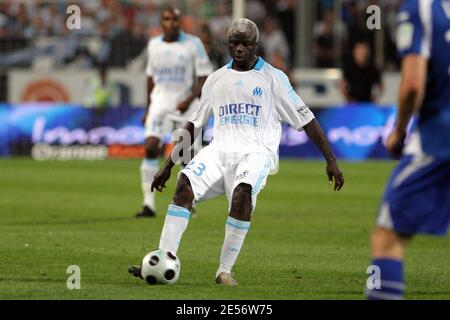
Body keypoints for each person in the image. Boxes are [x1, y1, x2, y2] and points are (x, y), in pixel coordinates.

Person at [129, 18, 344, 285]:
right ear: (228, 43)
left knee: (242, 194)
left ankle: (224, 271)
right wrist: (169, 166)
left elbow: (307, 119)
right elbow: (193, 124)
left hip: (256, 153)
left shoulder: (274, 79)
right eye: (234, 43)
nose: (239, 48)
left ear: (256, 44)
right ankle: (163, 258)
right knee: (184, 183)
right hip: (219, 151)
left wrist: (330, 160)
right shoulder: (216, 79)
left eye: (245, 43)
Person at [365, 0, 450, 300]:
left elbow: (413, 85)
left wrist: (399, 131)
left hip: (439, 138)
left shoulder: (419, 9)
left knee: (388, 236)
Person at [135, 6, 213, 218]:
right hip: (159, 105)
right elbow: (150, 78)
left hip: (185, 108)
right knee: (151, 147)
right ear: (161, 22)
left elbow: (204, 77)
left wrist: (188, 99)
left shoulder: (193, 44)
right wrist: (147, 107)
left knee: (187, 157)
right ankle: (148, 204)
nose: (171, 23)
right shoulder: (154, 45)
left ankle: (188, 201)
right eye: (167, 19)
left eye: (175, 20)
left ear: (180, 22)